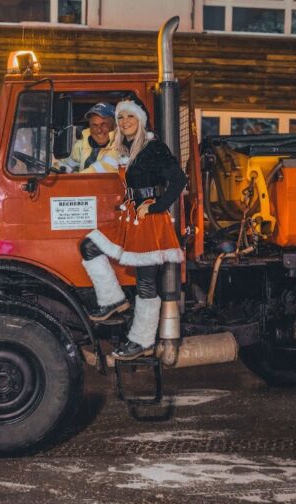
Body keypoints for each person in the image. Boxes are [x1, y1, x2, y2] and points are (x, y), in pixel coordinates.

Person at [79, 99, 187, 360]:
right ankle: (113, 300)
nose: (125, 122)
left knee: (146, 283)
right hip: (130, 218)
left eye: (130, 117)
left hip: (148, 222)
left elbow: (179, 179)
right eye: (121, 118)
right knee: (90, 245)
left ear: (141, 120)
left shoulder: (153, 147)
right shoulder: (127, 148)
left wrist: (156, 206)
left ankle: (142, 340)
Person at [61, 102, 117, 173]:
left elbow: (101, 170)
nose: (99, 130)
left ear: (115, 125)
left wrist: (76, 180)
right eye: (94, 125)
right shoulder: (82, 144)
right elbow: (66, 165)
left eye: (103, 124)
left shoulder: (121, 146)